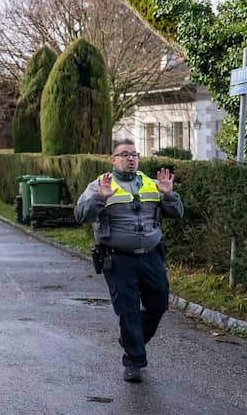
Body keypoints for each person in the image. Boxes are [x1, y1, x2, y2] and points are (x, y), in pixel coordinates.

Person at [74, 139, 184, 383]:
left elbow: (177, 213)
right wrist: (99, 199)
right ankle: (134, 361)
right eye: (124, 154)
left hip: (151, 255)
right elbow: (80, 215)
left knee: (158, 303)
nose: (130, 158)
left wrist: (169, 195)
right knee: (129, 310)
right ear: (113, 160)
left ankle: (131, 339)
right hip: (118, 259)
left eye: (134, 154)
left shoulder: (152, 183)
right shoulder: (100, 185)